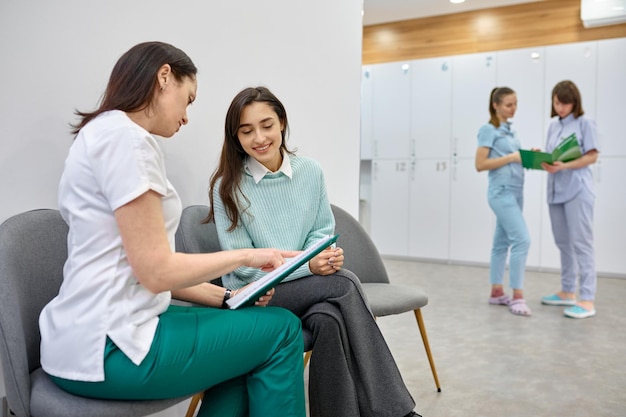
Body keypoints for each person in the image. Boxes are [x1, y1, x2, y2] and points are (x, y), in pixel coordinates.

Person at [38, 42, 307, 417]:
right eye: (189, 99)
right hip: (108, 348)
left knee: (240, 334)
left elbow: (138, 266)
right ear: (165, 77)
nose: (186, 117)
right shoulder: (128, 143)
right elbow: (156, 271)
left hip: (82, 336)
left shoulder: (102, 133)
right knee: (283, 329)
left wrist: (228, 298)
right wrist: (250, 255)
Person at [202, 86, 421, 417]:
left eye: (267, 125)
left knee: (329, 320)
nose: (259, 138)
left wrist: (326, 257)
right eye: (246, 131)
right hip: (257, 295)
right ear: (236, 137)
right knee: (344, 284)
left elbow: (322, 231)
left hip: (308, 289)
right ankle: (398, 413)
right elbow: (243, 268)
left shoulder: (310, 172)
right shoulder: (227, 186)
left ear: (282, 124)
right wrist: (310, 268)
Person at [540, 80, 599, 319]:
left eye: (565, 103)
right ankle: (567, 291)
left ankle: (587, 298)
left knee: (582, 244)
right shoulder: (553, 127)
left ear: (574, 103)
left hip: (577, 190)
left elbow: (592, 156)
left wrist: (565, 165)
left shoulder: (585, 123)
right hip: (555, 190)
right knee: (563, 243)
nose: (561, 107)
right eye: (557, 102)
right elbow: (552, 157)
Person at [475, 86, 532, 316]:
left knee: (501, 242)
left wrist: (528, 156)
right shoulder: (488, 130)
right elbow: (480, 165)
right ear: (496, 105)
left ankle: (497, 292)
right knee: (522, 240)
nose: (513, 108)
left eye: (516, 103)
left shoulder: (511, 132)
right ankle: (518, 296)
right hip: (501, 193)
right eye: (509, 104)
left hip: (517, 191)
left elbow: (514, 160)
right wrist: (512, 157)